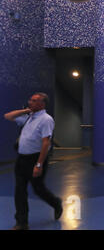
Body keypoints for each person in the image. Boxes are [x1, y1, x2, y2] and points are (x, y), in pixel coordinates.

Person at [4, 93, 63, 230]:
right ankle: (22, 223)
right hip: (21, 159)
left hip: (35, 159)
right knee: (20, 191)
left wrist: (39, 164)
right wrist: (26, 110)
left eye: (34, 100)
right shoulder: (28, 117)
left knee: (38, 189)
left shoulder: (46, 120)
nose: (30, 102)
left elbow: (45, 143)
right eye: (30, 99)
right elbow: (8, 116)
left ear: (42, 104)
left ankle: (56, 203)